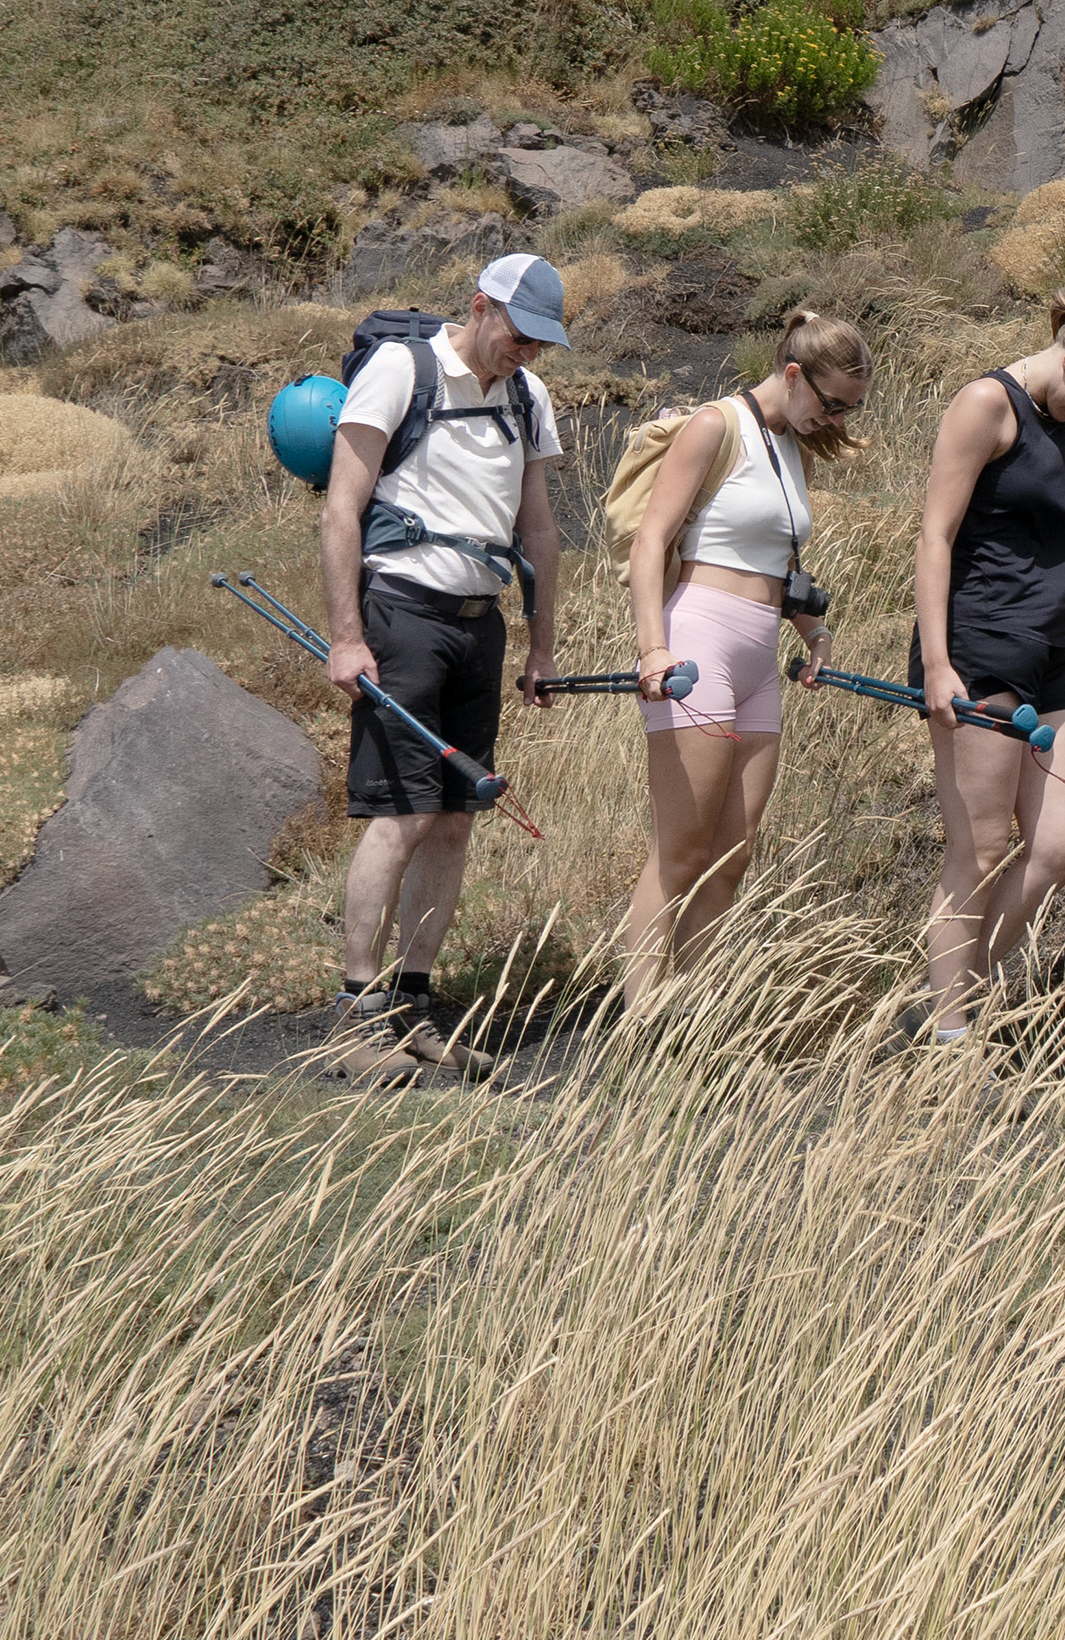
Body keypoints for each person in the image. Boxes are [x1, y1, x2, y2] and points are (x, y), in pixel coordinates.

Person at [320, 253, 569, 1077]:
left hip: (479, 625)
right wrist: (348, 637)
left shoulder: (530, 399)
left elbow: (538, 532)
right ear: (480, 305)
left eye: (540, 342)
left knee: (456, 820)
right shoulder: (402, 369)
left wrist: (541, 644)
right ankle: (354, 1018)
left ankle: (413, 1008)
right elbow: (342, 508)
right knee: (400, 814)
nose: (526, 352)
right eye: (519, 334)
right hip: (402, 616)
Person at [912, 297, 1065, 1041]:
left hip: (1043, 650)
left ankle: (949, 997)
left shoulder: (1050, 418)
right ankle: (951, 1036)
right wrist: (936, 664)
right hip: (980, 648)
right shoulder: (988, 402)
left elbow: (1034, 545)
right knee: (980, 849)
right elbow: (936, 535)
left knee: (1060, 848)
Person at [618, 308, 870, 1012]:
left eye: (850, 408)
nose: (836, 419)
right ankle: (641, 1020)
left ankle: (697, 1023)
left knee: (731, 855)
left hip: (761, 649)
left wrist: (813, 633)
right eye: (831, 403)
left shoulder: (789, 442)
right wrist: (652, 647)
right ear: (793, 375)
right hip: (697, 640)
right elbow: (651, 541)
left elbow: (779, 562)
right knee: (681, 851)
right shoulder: (715, 425)